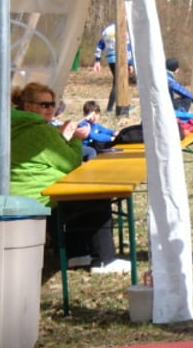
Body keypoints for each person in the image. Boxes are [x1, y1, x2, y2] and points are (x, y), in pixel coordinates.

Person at [10, 82, 130, 273]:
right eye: (44, 105)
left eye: (52, 104)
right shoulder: (41, 130)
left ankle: (77, 255)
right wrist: (75, 138)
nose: (50, 109)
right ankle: (104, 260)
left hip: (19, 195)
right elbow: (71, 162)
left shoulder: (13, 126)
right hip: (40, 199)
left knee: (77, 197)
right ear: (28, 106)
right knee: (96, 195)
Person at [93, 23, 135, 112]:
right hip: (120, 59)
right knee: (118, 83)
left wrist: (97, 61)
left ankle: (123, 105)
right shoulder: (123, 31)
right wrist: (130, 63)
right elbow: (127, 48)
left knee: (118, 82)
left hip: (110, 59)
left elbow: (99, 46)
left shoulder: (106, 31)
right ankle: (112, 108)